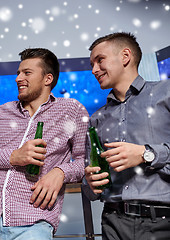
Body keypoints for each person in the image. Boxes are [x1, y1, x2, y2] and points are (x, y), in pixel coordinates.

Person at [0, 48, 89, 239]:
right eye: (18, 73)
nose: (18, 78)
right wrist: (13, 157)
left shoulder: (71, 110)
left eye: (27, 73)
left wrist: (61, 172)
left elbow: (85, 160)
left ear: (47, 79)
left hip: (34, 222)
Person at [83, 32, 170, 240]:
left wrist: (146, 154)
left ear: (125, 56)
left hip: (162, 223)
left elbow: (149, 155)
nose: (94, 70)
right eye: (92, 64)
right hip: (112, 223)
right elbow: (90, 190)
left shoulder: (166, 93)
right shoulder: (97, 118)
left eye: (100, 60)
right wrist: (90, 183)